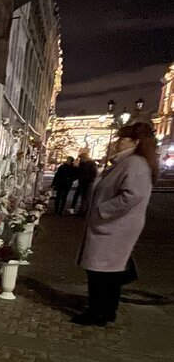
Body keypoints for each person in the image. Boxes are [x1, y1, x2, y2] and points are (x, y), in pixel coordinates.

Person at [73, 121, 157, 326]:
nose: (117, 142)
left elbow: (132, 195)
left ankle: (97, 312)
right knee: (107, 271)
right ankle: (105, 310)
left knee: (101, 271)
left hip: (113, 227)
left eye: (122, 138)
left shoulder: (134, 163)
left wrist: (103, 210)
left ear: (135, 142)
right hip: (112, 226)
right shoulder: (126, 163)